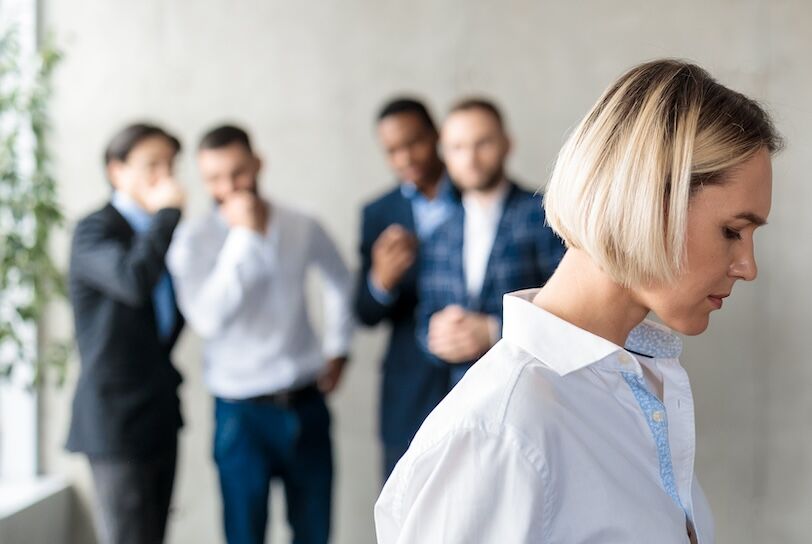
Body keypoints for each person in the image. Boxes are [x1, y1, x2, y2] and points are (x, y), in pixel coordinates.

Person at [376, 60, 782, 543]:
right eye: (732, 231)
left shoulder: (632, 387)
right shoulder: (502, 434)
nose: (747, 266)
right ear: (649, 200)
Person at [167, 125, 353, 544]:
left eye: (238, 173)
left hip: (306, 403)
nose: (229, 187)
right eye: (214, 178)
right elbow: (208, 319)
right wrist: (245, 237)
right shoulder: (191, 241)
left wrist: (339, 349)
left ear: (257, 164)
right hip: (240, 414)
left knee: (314, 533)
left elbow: (340, 280)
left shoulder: (300, 222)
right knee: (244, 534)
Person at [66, 123, 186, 544]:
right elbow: (133, 281)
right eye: (151, 164)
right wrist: (168, 216)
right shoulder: (94, 230)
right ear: (116, 171)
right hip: (116, 422)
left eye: (170, 165)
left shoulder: (157, 234)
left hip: (158, 414)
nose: (165, 176)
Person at [418, 98, 564, 387]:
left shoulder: (546, 215)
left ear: (506, 144)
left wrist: (495, 330)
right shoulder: (439, 232)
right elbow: (425, 315)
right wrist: (436, 335)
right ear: (444, 154)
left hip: (535, 388)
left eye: (482, 143)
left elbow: (570, 304)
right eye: (457, 148)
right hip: (461, 395)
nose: (470, 158)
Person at [355, 98, 459, 478]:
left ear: (435, 136)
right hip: (408, 386)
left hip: (479, 368)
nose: (404, 158)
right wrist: (380, 280)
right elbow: (364, 312)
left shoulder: (479, 192)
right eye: (392, 151)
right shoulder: (377, 213)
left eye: (413, 143)